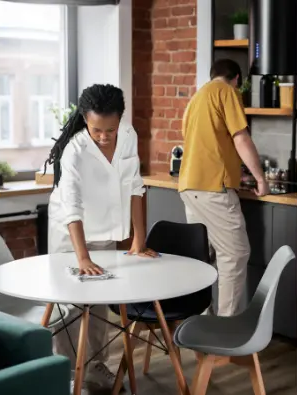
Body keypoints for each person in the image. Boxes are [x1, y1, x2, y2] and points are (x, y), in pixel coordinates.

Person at [45, 83, 157, 392]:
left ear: (120, 118)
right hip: (70, 235)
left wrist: (138, 239)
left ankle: (95, 368)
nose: (104, 136)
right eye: (97, 130)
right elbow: (72, 206)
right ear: (84, 119)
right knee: (70, 306)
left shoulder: (129, 137)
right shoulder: (75, 151)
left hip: (105, 231)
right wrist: (82, 257)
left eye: (110, 129)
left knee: (97, 306)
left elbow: (136, 186)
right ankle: (68, 375)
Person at [179, 58, 268, 317]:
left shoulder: (196, 99)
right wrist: (260, 178)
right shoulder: (227, 92)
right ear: (237, 79)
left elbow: (208, 144)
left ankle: (202, 323)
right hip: (211, 187)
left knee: (201, 258)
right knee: (235, 253)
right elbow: (241, 137)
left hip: (190, 186)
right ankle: (225, 329)